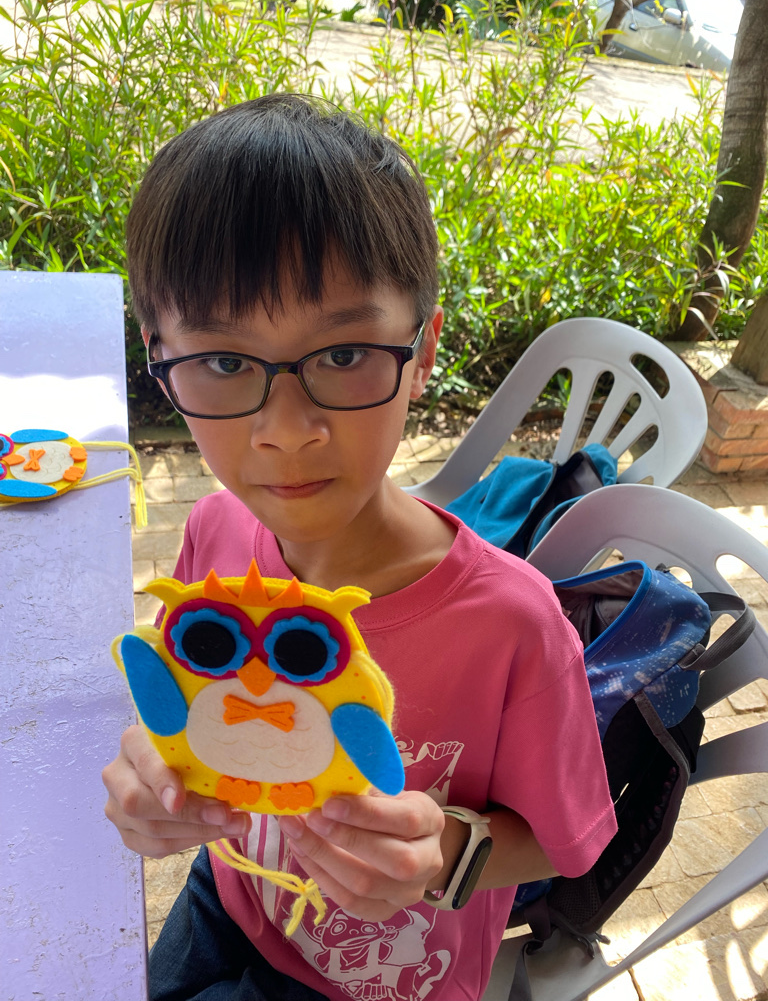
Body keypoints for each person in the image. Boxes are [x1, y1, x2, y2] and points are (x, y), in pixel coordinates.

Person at [103, 93, 617, 1001]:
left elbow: (566, 842)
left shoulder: (513, 625)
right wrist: (155, 780)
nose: (285, 431)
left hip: (383, 980)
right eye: (224, 362)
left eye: (343, 355)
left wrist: (445, 854)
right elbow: (187, 708)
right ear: (161, 361)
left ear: (422, 353)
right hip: (228, 901)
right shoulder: (215, 535)